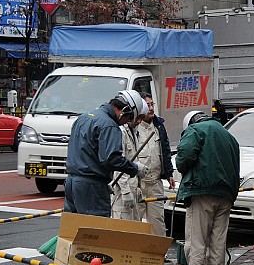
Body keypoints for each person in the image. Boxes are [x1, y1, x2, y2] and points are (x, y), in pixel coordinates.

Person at [175, 109, 240, 265]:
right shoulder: (228, 136)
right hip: (225, 195)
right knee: (218, 244)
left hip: (201, 192)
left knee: (197, 242)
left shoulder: (195, 130)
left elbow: (183, 158)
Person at [63, 89, 148, 216]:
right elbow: (111, 159)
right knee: (94, 231)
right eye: (129, 118)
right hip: (92, 185)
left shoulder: (84, 118)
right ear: (124, 110)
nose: (126, 122)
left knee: (72, 230)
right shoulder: (109, 125)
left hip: (71, 182)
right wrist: (134, 168)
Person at [134, 93, 176, 236]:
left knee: (157, 221)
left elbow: (166, 150)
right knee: (135, 222)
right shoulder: (133, 128)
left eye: (152, 105)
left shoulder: (159, 126)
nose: (151, 108)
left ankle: (158, 255)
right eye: (148, 105)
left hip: (155, 182)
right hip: (138, 184)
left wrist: (169, 173)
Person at [111, 99, 149, 222]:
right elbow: (118, 164)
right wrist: (126, 192)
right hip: (122, 193)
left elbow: (131, 159)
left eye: (142, 119)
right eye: (138, 118)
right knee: (122, 231)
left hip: (134, 191)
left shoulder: (134, 132)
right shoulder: (121, 132)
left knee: (133, 230)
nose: (139, 122)